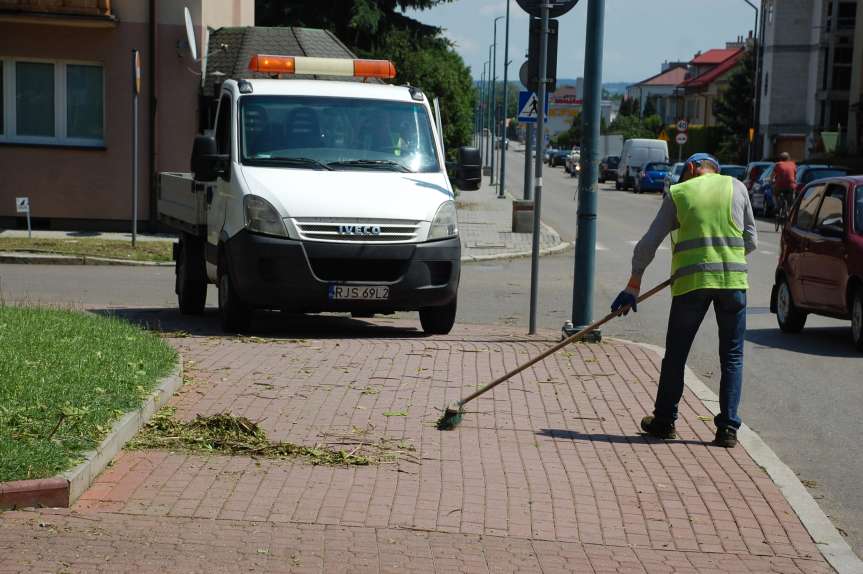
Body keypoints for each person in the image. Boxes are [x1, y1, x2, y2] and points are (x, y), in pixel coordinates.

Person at [611, 153, 758, 448]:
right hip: (733, 284)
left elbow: (648, 244)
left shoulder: (679, 192)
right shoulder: (737, 187)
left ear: (691, 168)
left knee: (676, 355)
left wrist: (633, 284)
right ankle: (728, 429)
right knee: (732, 357)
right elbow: (750, 241)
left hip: (691, 284)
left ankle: (664, 422)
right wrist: (723, 259)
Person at [771, 152, 797, 218]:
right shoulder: (793, 164)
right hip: (791, 185)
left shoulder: (778, 164)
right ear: (788, 158)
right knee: (791, 201)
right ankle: (789, 212)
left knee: (774, 194)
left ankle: (777, 206)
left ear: (780, 159)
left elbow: (772, 176)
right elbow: (795, 176)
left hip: (780, 185)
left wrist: (771, 181)